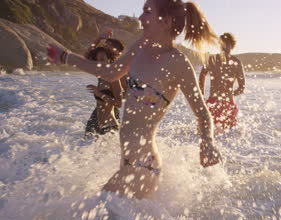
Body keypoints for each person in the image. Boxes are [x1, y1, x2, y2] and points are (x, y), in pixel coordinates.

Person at [47, 0, 222, 199]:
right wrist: (66, 57)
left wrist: (208, 141)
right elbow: (112, 72)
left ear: (165, 21)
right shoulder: (142, 45)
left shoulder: (178, 63)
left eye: (147, 12)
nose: (140, 18)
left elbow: (202, 111)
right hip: (128, 162)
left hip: (144, 166)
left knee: (93, 215)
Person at [199, 32, 245, 132]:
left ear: (232, 46)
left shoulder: (236, 62)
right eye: (222, 44)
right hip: (212, 102)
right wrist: (201, 94)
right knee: (207, 133)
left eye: (227, 44)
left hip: (228, 104)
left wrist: (231, 94)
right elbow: (202, 75)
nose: (224, 47)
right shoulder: (212, 59)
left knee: (229, 136)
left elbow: (242, 87)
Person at [84, 46, 123, 137]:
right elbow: (85, 60)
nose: (99, 63)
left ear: (109, 60)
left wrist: (99, 94)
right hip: (98, 125)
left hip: (110, 127)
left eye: (102, 59)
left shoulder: (114, 79)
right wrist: (99, 38)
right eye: (97, 60)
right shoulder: (101, 77)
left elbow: (119, 104)